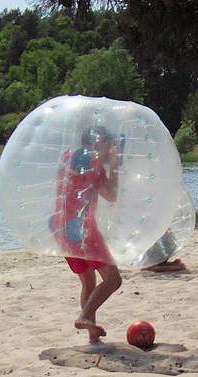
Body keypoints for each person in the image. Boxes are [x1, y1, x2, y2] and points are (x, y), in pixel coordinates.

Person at [52, 126, 122, 344]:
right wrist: (116, 166)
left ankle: (92, 333)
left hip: (62, 228)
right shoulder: (94, 163)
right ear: (97, 143)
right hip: (83, 230)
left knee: (88, 281)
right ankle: (84, 316)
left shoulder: (67, 158)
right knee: (113, 280)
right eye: (106, 144)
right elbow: (111, 195)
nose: (109, 148)